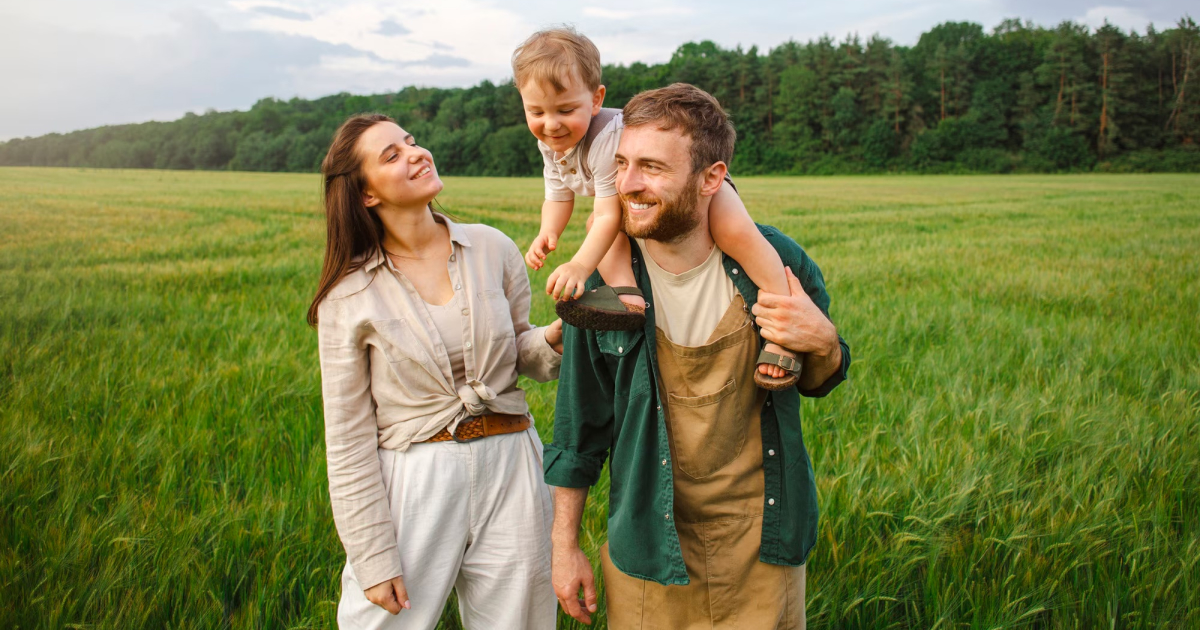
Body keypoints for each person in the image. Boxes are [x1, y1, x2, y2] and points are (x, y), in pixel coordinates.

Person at [544, 84, 852, 629]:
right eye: (620, 163)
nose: (627, 184)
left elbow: (821, 377)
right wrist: (564, 547)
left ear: (713, 177)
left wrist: (823, 342)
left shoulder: (776, 265)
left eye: (653, 167)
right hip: (648, 551)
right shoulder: (603, 290)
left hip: (763, 542)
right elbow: (578, 428)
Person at [308, 113, 563, 630]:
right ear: (366, 196)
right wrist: (373, 555)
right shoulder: (348, 295)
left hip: (513, 462)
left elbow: (519, 352)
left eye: (412, 141)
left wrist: (556, 337)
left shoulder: (491, 247)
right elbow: (348, 437)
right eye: (392, 155)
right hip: (415, 480)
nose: (417, 153)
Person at [513, 27, 802, 390]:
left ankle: (785, 327)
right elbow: (557, 193)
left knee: (738, 235)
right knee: (597, 225)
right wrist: (548, 231)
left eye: (565, 110)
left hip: (698, 185)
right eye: (535, 111)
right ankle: (628, 296)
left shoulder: (603, 141)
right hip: (633, 196)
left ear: (596, 99)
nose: (550, 124)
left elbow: (607, 214)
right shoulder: (551, 141)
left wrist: (578, 265)